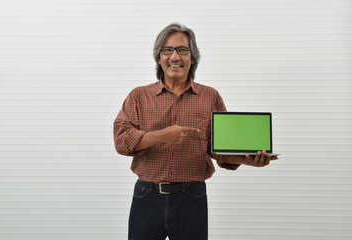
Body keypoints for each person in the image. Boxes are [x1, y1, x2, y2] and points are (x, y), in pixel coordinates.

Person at [113, 23, 278, 240]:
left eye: (182, 50)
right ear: (159, 58)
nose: (175, 56)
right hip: (147, 198)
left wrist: (249, 160)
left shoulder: (211, 97)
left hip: (192, 199)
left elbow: (219, 149)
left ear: (192, 58)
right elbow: (121, 140)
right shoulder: (138, 96)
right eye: (167, 50)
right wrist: (163, 136)